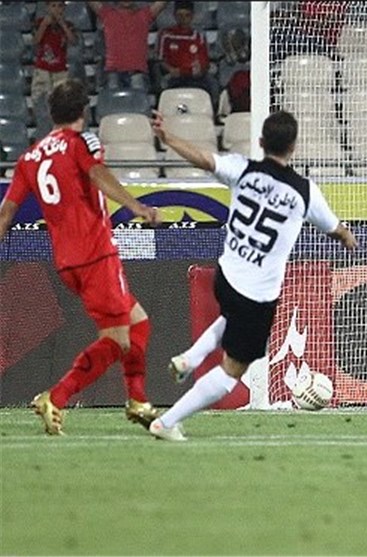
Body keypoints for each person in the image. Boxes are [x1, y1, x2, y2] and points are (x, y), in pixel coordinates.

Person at [148, 109, 358, 441]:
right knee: (232, 372)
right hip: (257, 295)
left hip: (226, 276)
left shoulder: (242, 169)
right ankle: (167, 422)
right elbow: (335, 229)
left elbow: (203, 159)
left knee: (231, 316)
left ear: (261, 142)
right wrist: (347, 238)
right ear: (294, 147)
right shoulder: (304, 192)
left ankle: (189, 358)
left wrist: (167, 137)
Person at [0, 79, 163, 435]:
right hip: (96, 255)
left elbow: (6, 213)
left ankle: (138, 400)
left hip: (66, 262)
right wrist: (136, 206)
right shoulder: (82, 142)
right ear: (84, 111)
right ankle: (55, 397)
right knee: (118, 339)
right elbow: (97, 173)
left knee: (139, 323)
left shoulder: (30, 157)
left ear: (50, 113)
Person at [88, 1, 167, 90]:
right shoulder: (107, 14)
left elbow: (162, 3)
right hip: (113, 73)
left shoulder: (144, 15)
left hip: (137, 73)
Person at [157, 1, 219, 111]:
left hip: (195, 76)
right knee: (162, 85)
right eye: (180, 15)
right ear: (174, 16)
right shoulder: (166, 34)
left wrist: (198, 70)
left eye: (187, 15)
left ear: (192, 16)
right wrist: (171, 70)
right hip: (173, 75)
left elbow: (204, 62)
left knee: (213, 85)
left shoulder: (198, 35)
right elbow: (160, 59)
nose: (183, 19)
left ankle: (211, 114)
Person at [31, 1, 78, 138]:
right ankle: (42, 133)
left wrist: (62, 24)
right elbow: (35, 41)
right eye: (53, 6)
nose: (56, 9)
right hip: (42, 70)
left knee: (61, 102)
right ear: (47, 8)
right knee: (40, 102)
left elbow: (73, 41)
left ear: (64, 8)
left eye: (59, 6)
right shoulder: (39, 23)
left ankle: (60, 133)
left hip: (60, 70)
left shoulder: (68, 25)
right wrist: (44, 25)